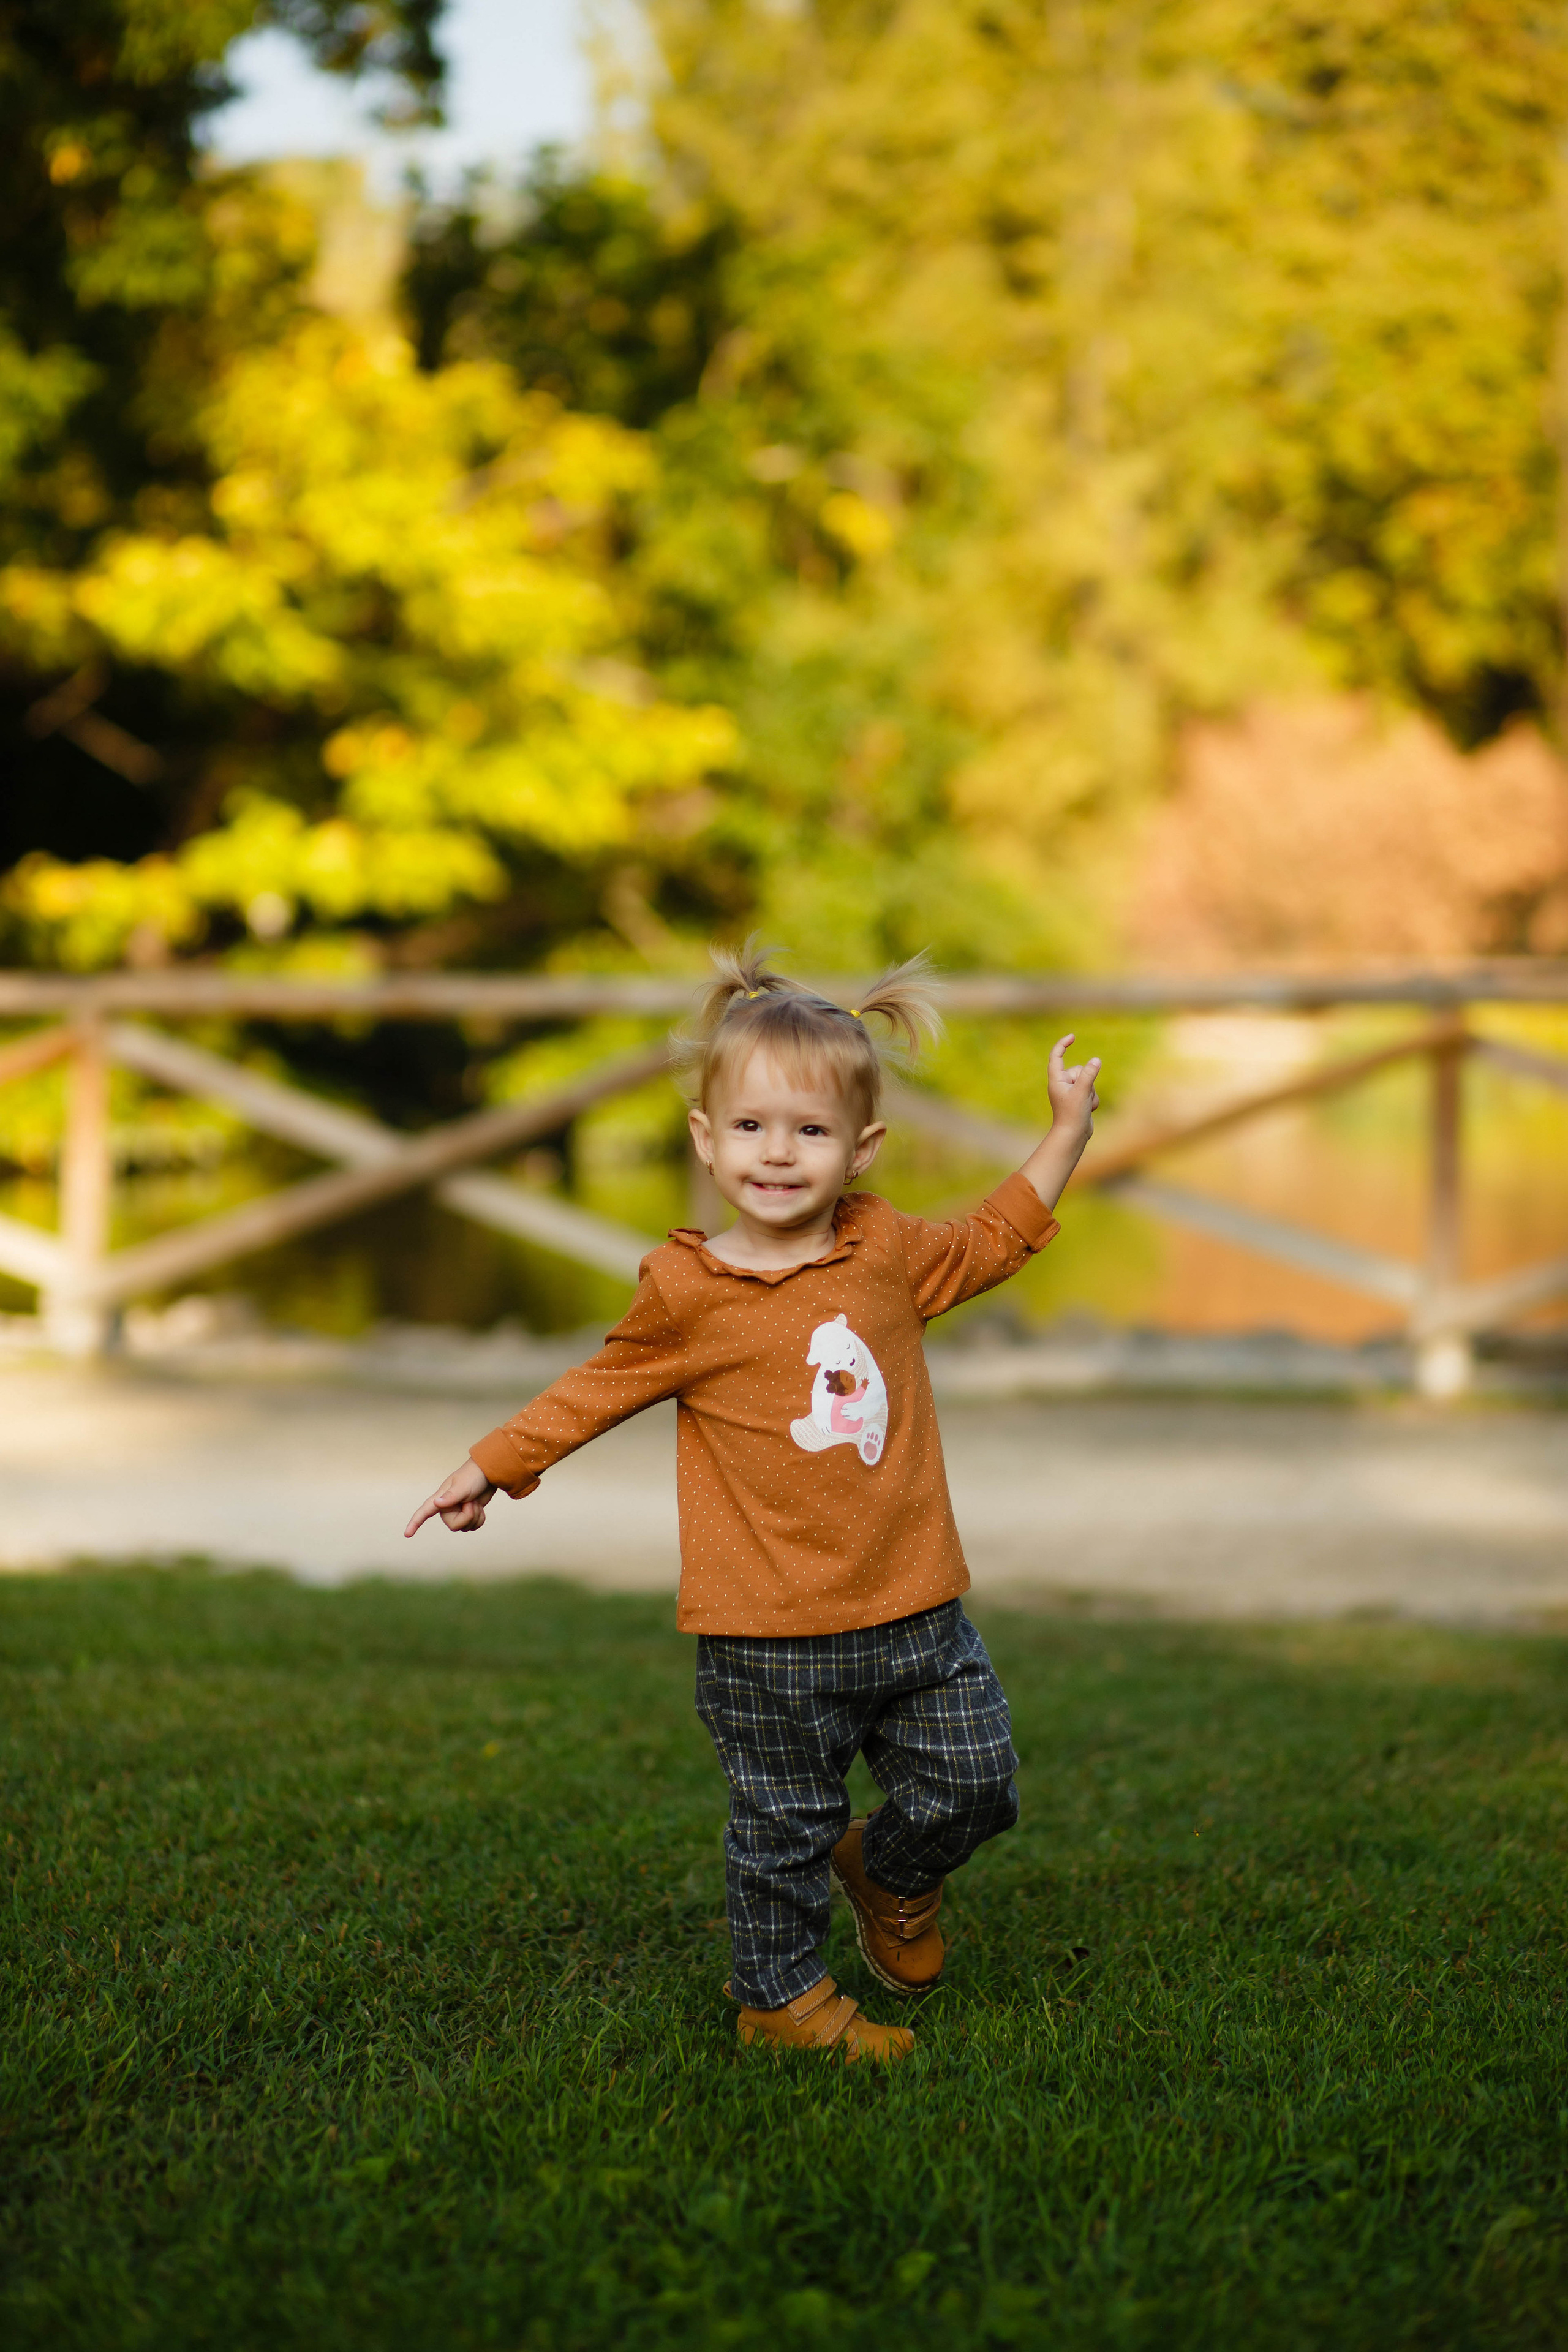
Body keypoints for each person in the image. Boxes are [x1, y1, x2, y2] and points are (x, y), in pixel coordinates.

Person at [406, 946, 1101, 2064]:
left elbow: (992, 1239)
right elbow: (596, 1388)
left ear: (862, 1148)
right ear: (704, 1138)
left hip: (916, 1607)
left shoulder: (885, 1252)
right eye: (752, 1128)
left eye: (812, 1132)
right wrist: (491, 1463)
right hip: (764, 1633)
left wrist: (1066, 1129)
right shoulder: (687, 1291)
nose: (779, 1153)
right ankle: (780, 2002)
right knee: (783, 1831)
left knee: (979, 1782)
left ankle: (891, 1872)